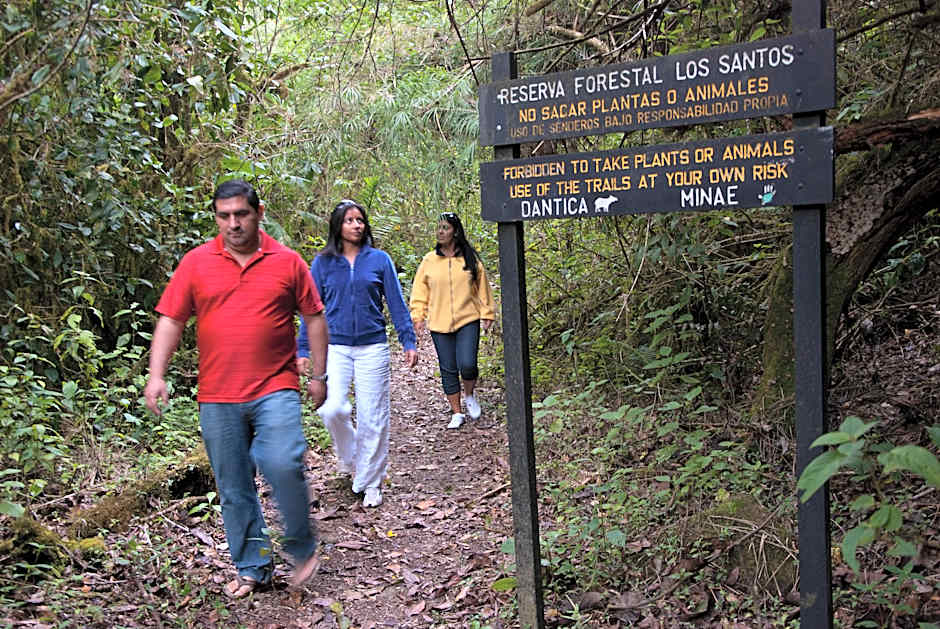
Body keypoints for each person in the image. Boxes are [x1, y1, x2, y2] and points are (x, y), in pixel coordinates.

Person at [143, 179, 327, 599]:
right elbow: (172, 319)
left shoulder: (287, 262)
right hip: (217, 395)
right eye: (224, 216)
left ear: (258, 213)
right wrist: (157, 374)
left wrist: (318, 374)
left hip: (276, 387)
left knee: (281, 460)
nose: (233, 224)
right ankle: (254, 567)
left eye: (241, 214)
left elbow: (314, 317)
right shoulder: (196, 262)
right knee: (233, 486)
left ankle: (300, 546)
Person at [296, 199, 417, 509]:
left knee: (373, 418)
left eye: (360, 220)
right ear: (338, 226)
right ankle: (352, 458)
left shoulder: (379, 260)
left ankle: (372, 481)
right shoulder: (323, 263)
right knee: (331, 408)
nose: (356, 225)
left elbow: (396, 301)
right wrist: (304, 348)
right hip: (335, 347)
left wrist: (408, 340)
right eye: (349, 220)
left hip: (372, 347)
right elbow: (310, 310)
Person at [410, 211, 495, 430]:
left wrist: (487, 313)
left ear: (455, 231)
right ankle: (457, 412)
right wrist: (418, 316)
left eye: (445, 227)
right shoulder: (429, 261)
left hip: (468, 318)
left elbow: (482, 287)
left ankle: (469, 394)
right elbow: (420, 291)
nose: (440, 231)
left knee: (467, 364)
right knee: (447, 368)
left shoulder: (469, 258)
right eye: (438, 227)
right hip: (439, 322)